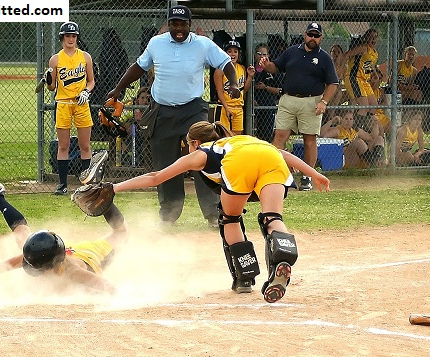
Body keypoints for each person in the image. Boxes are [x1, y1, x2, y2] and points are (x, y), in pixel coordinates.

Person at [109, 121, 330, 303]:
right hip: (270, 158)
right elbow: (281, 153)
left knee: (230, 219)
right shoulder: (239, 140)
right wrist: (315, 174)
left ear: (195, 142)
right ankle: (283, 258)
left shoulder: (204, 152)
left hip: (240, 165)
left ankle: (245, 278)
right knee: (273, 218)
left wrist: (114, 187)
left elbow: (155, 177)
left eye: (188, 144)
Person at [107, 5, 241, 227]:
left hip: (193, 110)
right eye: (174, 24)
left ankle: (212, 214)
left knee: (204, 158)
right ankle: (168, 214)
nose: (178, 28)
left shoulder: (203, 44)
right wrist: (119, 88)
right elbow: (139, 67)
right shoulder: (156, 43)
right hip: (164, 110)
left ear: (190, 25)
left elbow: (225, 63)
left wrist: (234, 83)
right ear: (168, 24)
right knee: (166, 163)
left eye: (183, 24)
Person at [0, 183, 128, 292]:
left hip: (92, 254)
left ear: (53, 265)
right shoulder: (35, 254)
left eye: (39, 269)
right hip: (61, 250)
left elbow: (108, 288)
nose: (34, 270)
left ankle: (105, 200)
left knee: (121, 234)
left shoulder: (74, 273)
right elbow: (1, 266)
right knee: (23, 239)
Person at [260, 22, 338, 191]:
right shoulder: (292, 51)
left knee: (309, 140)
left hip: (311, 102)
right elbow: (276, 67)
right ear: (305, 34)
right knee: (279, 136)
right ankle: (275, 173)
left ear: (321, 38)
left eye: (316, 35)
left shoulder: (324, 58)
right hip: (288, 99)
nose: (313, 38)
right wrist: (267, 65)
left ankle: (307, 177)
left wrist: (323, 102)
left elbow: (333, 83)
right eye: (310, 34)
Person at [45, 21, 97, 195]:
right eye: (67, 35)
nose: (70, 39)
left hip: (81, 103)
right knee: (63, 145)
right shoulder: (56, 59)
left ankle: (87, 183)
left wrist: (86, 92)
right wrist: (49, 79)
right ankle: (62, 184)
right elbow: (52, 88)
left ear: (77, 38)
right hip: (64, 104)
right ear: (62, 37)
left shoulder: (85, 57)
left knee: (85, 145)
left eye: (73, 36)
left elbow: (91, 81)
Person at [213, 40, 255, 135]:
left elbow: (243, 90)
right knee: (223, 136)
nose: (233, 54)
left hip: (238, 107)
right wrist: (227, 108)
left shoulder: (242, 68)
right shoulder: (220, 70)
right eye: (230, 51)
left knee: (237, 136)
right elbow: (219, 92)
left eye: (235, 51)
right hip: (224, 107)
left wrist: (249, 77)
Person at [343, 29, 379, 132]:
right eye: (371, 36)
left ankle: (365, 128)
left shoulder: (374, 52)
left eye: (375, 37)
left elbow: (370, 64)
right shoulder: (363, 48)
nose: (373, 39)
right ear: (366, 38)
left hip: (365, 80)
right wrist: (340, 69)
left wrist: (375, 74)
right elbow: (347, 54)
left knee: (374, 105)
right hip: (354, 77)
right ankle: (354, 131)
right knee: (364, 107)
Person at [253, 43, 282, 142]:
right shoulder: (251, 69)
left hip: (268, 107)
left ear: (268, 56)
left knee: (265, 136)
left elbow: (280, 90)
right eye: (259, 54)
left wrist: (265, 87)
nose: (261, 56)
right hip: (253, 108)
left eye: (264, 54)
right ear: (255, 55)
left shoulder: (273, 70)